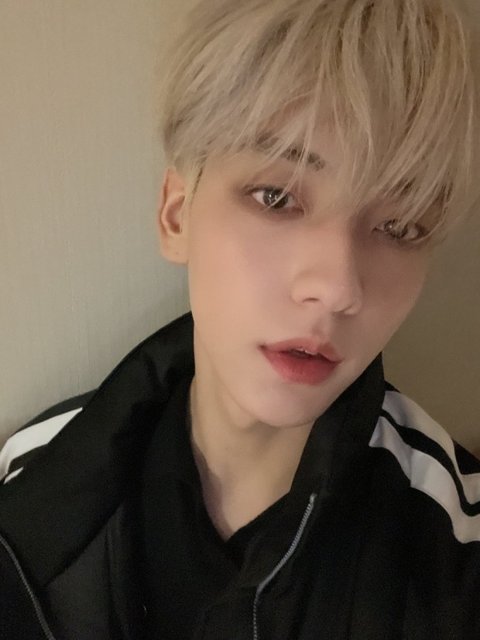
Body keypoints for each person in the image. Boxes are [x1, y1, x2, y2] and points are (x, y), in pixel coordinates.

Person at [0, 0, 479, 638]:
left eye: (400, 226)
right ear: (177, 214)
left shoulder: (453, 549)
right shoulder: (33, 486)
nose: (339, 289)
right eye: (276, 197)